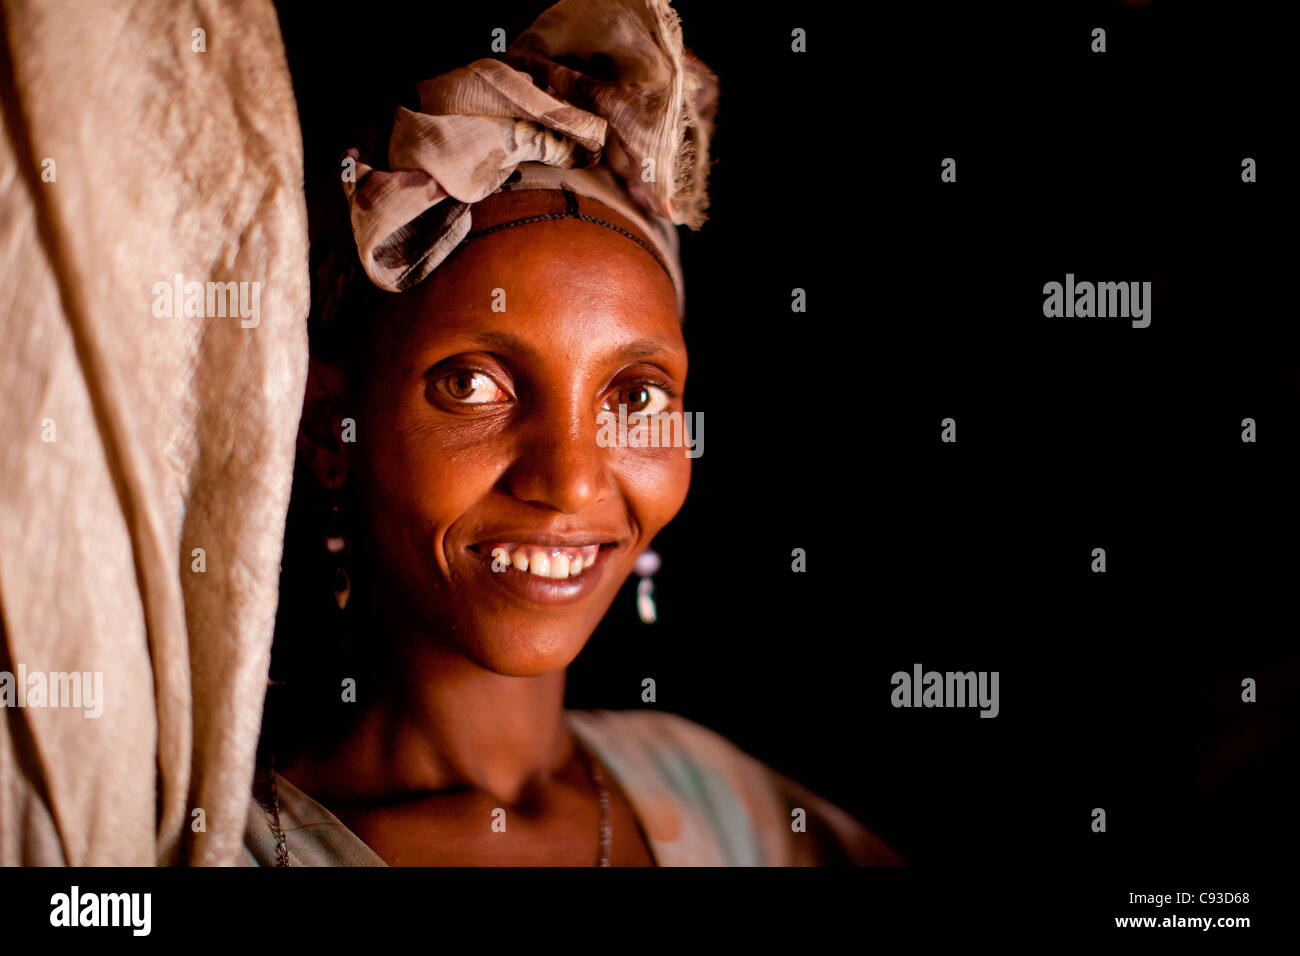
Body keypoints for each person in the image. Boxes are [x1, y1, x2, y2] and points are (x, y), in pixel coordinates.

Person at [242, 0, 900, 867]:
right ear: (332, 429)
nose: (572, 480)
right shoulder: (179, 838)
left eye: (635, 396)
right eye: (473, 384)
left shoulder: (728, 808)